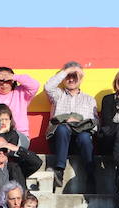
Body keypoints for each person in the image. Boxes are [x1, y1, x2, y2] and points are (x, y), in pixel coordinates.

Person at [43, 63, 98, 191]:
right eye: (68, 76)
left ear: (81, 78)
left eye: (75, 76)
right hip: (60, 140)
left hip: (80, 142)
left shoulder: (89, 99)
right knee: (62, 128)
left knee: (85, 137)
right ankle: (59, 170)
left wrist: (79, 122)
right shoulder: (58, 95)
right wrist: (66, 70)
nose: (71, 79)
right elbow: (48, 86)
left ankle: (90, 175)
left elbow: (96, 123)